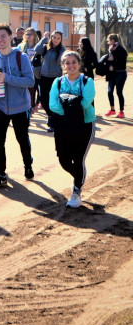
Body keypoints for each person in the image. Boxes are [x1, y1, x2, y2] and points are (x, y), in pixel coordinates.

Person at [0, 24, 36, 188]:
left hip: (20, 107)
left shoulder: (20, 58)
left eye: (3, 36)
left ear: (10, 37)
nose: (0, 40)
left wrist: (7, 78)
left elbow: (30, 81)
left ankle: (27, 165)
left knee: (22, 139)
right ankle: (1, 175)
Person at [49, 51, 95, 208]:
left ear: (79, 63)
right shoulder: (58, 82)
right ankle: (79, 176)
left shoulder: (87, 81)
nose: (71, 65)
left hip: (84, 125)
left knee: (79, 158)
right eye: (67, 63)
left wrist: (69, 108)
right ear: (63, 66)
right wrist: (71, 110)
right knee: (63, 159)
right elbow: (53, 104)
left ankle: (76, 191)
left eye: (74, 62)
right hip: (63, 126)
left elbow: (87, 102)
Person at [35, 30, 66, 132]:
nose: (55, 40)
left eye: (58, 38)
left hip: (55, 78)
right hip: (43, 77)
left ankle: (53, 123)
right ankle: (51, 116)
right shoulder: (46, 47)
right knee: (44, 101)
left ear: (61, 39)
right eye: (54, 37)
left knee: (54, 100)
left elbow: (63, 61)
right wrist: (44, 38)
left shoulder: (62, 50)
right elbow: (37, 49)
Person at [104, 33, 128, 118]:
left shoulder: (122, 50)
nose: (108, 42)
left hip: (120, 73)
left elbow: (122, 64)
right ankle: (112, 110)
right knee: (109, 91)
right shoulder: (111, 49)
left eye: (109, 40)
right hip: (112, 74)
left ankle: (121, 112)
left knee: (119, 92)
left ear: (113, 40)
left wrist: (113, 65)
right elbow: (109, 60)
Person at [17, 28, 41, 111]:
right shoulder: (21, 46)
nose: (28, 36)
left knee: (34, 90)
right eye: (26, 34)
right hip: (24, 71)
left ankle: (32, 106)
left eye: (30, 34)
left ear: (34, 35)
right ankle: (25, 107)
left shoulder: (38, 46)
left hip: (35, 72)